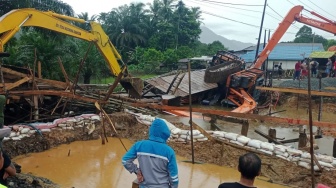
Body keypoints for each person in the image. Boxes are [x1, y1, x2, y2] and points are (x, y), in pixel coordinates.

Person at [122, 119, 179, 188]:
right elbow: (174, 178)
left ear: (151, 131)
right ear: (165, 133)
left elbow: (125, 161)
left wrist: (137, 171)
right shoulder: (169, 152)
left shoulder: (139, 145)